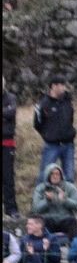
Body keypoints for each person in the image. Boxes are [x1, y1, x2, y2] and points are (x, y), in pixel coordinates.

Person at [33, 76, 76, 183]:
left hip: (68, 144)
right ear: (53, 86)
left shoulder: (68, 101)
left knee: (69, 176)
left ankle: (68, 198)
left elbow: (71, 118)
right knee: (44, 174)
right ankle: (40, 198)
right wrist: (48, 135)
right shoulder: (43, 104)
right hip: (51, 145)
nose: (64, 88)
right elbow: (37, 123)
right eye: (61, 85)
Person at [32, 163, 77, 238]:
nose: (55, 176)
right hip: (48, 219)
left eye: (57, 174)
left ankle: (72, 245)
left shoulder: (69, 187)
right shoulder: (40, 188)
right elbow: (35, 209)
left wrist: (65, 200)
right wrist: (47, 201)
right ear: (48, 175)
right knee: (42, 222)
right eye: (52, 174)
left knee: (72, 221)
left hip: (65, 218)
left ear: (61, 176)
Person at [2, 78, 16, 218]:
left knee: (8, 178)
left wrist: (6, 114)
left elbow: (11, 113)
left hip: (7, 143)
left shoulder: (11, 97)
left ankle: (11, 209)